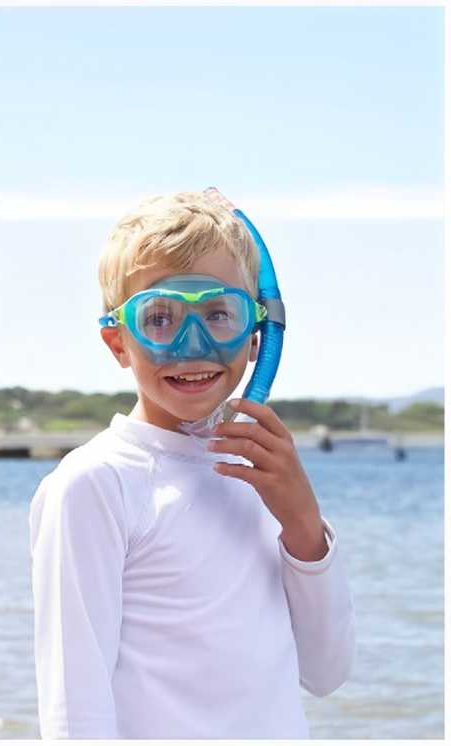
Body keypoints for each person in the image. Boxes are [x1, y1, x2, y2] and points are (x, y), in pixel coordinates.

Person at [29, 191, 355, 738]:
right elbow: (73, 707)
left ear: (257, 334)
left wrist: (303, 524)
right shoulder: (97, 484)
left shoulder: (259, 476)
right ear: (117, 341)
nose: (192, 343)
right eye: (159, 318)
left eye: (218, 314)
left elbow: (327, 672)